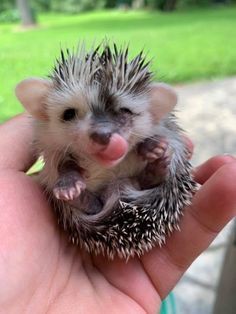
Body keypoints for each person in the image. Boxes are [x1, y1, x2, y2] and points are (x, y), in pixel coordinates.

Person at [0, 114, 236, 314]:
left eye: (122, 112)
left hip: (137, 198)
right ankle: (111, 189)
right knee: (63, 168)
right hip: (104, 208)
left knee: (158, 154)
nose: (101, 129)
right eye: (74, 114)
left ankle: (135, 182)